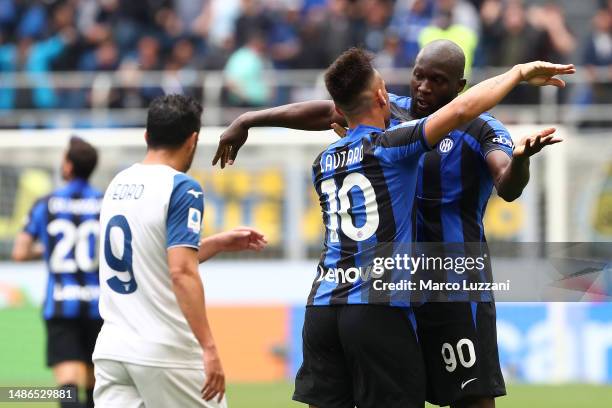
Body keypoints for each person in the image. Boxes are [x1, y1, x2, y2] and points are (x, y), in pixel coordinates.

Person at [214, 47, 574, 408]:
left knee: (472, 397)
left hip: (452, 286)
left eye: (437, 80)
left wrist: (521, 162)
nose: (423, 87)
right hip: (392, 292)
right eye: (419, 75)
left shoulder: (481, 127)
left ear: (460, 85)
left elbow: (507, 185)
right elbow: (330, 109)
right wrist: (249, 119)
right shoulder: (390, 117)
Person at [92, 94, 267, 408]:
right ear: (193, 139)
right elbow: (181, 271)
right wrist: (209, 347)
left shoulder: (117, 184)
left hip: (112, 350)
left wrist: (216, 243)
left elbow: (150, 257)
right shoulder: (182, 187)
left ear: (146, 136)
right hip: (164, 350)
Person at [12, 137, 103, 408]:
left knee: (68, 386)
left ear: (68, 167)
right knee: (94, 385)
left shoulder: (46, 204)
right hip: (99, 306)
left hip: (61, 305)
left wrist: (47, 250)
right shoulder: (105, 202)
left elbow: (19, 252)